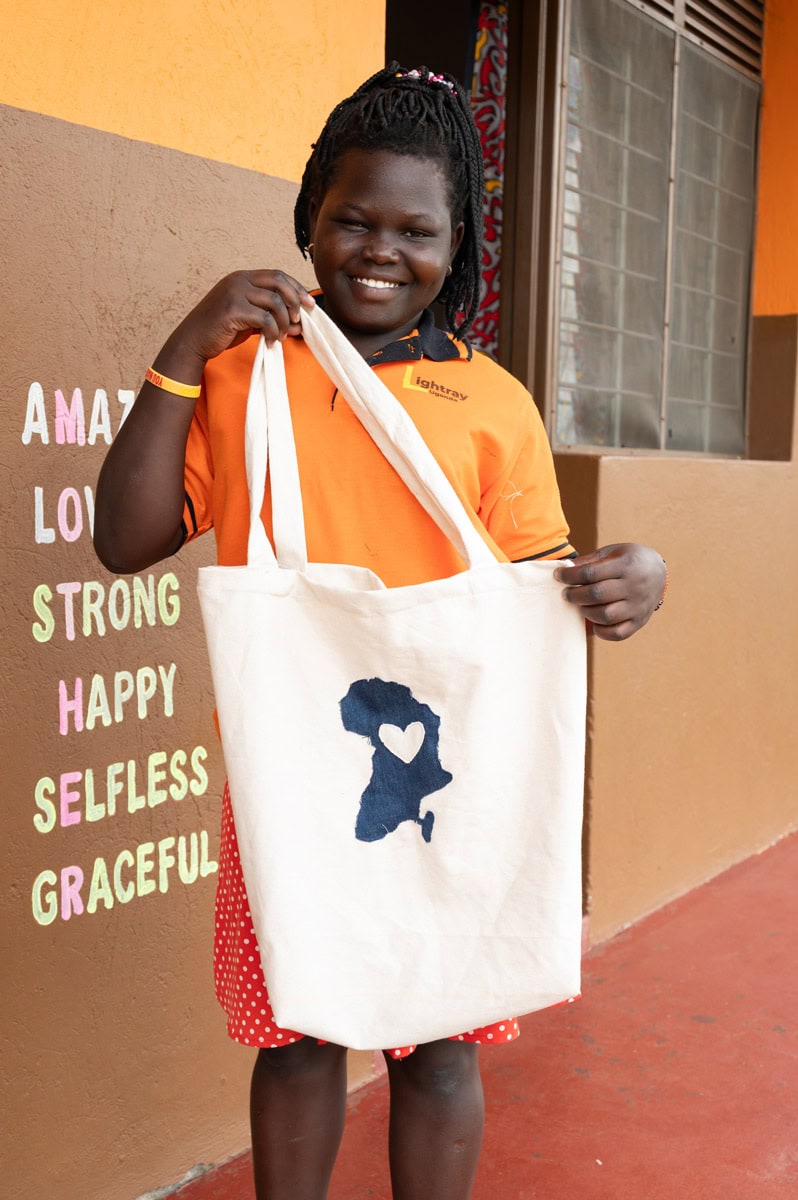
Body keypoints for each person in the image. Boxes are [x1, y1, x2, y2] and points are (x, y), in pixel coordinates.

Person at [94, 64, 666, 1200]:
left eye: (417, 229)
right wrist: (185, 344)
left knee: (440, 1042)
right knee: (299, 1033)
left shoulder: (492, 403)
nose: (379, 249)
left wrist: (633, 577)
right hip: (289, 775)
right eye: (353, 219)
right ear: (309, 217)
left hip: (446, 778)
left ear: (458, 249)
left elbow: (539, 585)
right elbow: (125, 537)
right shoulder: (247, 378)